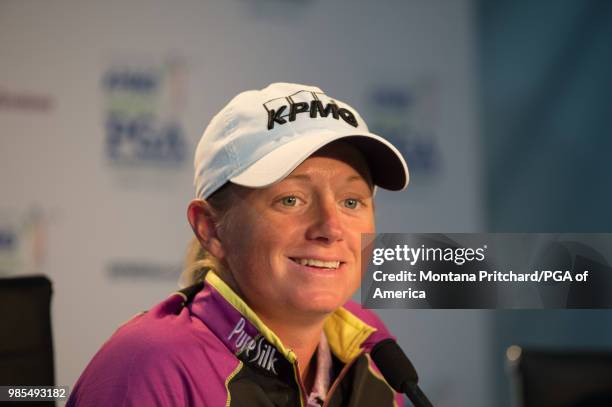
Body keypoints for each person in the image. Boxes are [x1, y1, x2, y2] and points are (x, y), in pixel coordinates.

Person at [67, 82, 409, 406]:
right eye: (291, 200)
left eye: (351, 202)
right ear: (212, 229)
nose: (330, 228)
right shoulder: (148, 365)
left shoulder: (371, 350)